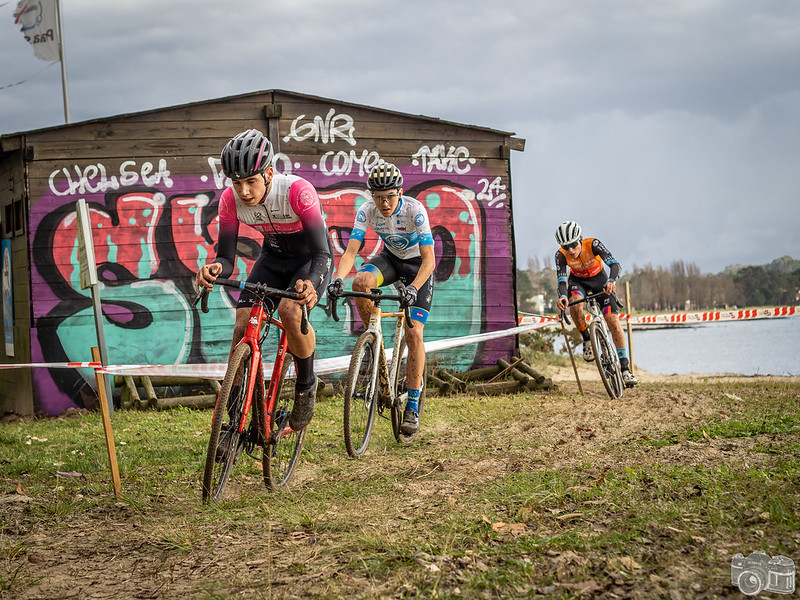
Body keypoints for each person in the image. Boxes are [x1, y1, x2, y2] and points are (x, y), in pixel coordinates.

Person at [196, 129, 333, 431]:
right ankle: (232, 418)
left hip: (310, 260)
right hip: (272, 260)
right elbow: (226, 260)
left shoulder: (298, 192)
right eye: (236, 183)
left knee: (290, 311)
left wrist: (310, 283)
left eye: (251, 181)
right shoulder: (230, 201)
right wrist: (214, 269)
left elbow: (322, 252)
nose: (244, 191)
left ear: (269, 173)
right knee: (243, 323)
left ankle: (306, 386)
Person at [328, 162, 435, 434]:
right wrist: (338, 279)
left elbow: (429, 260)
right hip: (390, 260)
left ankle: (412, 405)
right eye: (378, 197)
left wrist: (414, 287)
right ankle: (373, 339)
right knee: (361, 282)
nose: (384, 203)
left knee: (414, 334)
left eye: (389, 196)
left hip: (418, 268)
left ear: (400, 192)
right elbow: (351, 252)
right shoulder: (367, 211)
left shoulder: (415, 210)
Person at [554, 220, 638, 387]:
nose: (570, 250)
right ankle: (587, 339)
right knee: (574, 303)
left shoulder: (592, 244)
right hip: (578, 282)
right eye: (566, 247)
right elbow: (562, 281)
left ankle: (625, 369)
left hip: (600, 280)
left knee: (613, 321)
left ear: (580, 239)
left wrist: (612, 281)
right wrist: (563, 296)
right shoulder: (560, 255)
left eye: (573, 245)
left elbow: (614, 264)